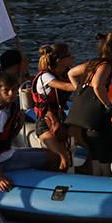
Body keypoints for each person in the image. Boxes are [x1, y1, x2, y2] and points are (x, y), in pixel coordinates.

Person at [0, 72, 60, 192]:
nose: (11, 94)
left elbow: (4, 140)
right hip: (1, 161)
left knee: (45, 153)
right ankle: (48, 190)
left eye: (14, 90)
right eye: (6, 91)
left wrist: (19, 126)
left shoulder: (2, 107)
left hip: (2, 155)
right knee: (54, 158)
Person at [66, 32, 112, 173]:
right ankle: (105, 180)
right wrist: (108, 104)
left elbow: (71, 73)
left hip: (91, 120)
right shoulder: (106, 66)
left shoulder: (93, 63)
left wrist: (79, 90)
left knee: (97, 154)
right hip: (100, 119)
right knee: (106, 154)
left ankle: (97, 178)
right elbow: (97, 85)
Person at [31, 43, 79, 171]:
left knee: (82, 144)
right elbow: (72, 87)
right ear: (59, 60)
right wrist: (75, 73)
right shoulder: (46, 77)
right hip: (46, 123)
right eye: (69, 56)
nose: (73, 58)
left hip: (60, 119)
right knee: (62, 158)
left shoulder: (64, 73)